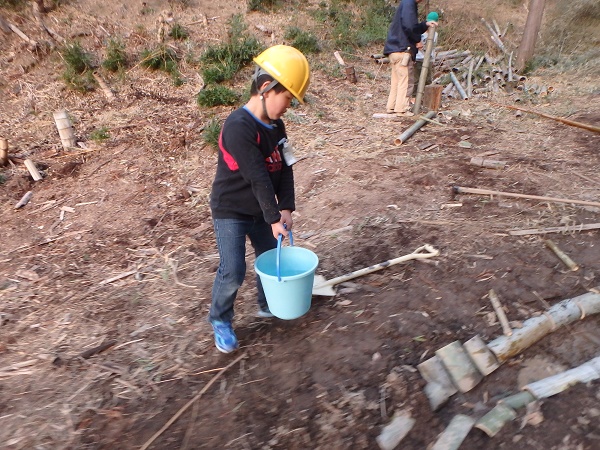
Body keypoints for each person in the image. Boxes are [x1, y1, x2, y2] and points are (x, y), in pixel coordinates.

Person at [207, 45, 310, 353]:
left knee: (270, 259)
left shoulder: (277, 126)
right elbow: (257, 176)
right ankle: (220, 319)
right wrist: (274, 217)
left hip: (263, 209)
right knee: (233, 269)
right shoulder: (238, 127)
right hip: (232, 209)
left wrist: (286, 207)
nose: (289, 105)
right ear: (266, 88)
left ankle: (269, 303)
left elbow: (286, 167)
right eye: (288, 97)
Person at [383, 0, 438, 116]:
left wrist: (425, 24)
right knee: (406, 81)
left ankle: (392, 106)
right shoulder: (409, 4)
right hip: (403, 50)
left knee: (396, 80)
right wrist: (417, 40)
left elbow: (411, 27)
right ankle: (402, 109)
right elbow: (409, 27)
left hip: (394, 49)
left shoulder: (405, 4)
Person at [414, 12, 440, 97]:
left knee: (428, 80)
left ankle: (426, 97)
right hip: (418, 58)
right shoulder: (420, 32)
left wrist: (432, 59)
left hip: (429, 59)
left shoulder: (435, 34)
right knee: (416, 79)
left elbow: (433, 48)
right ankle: (414, 97)